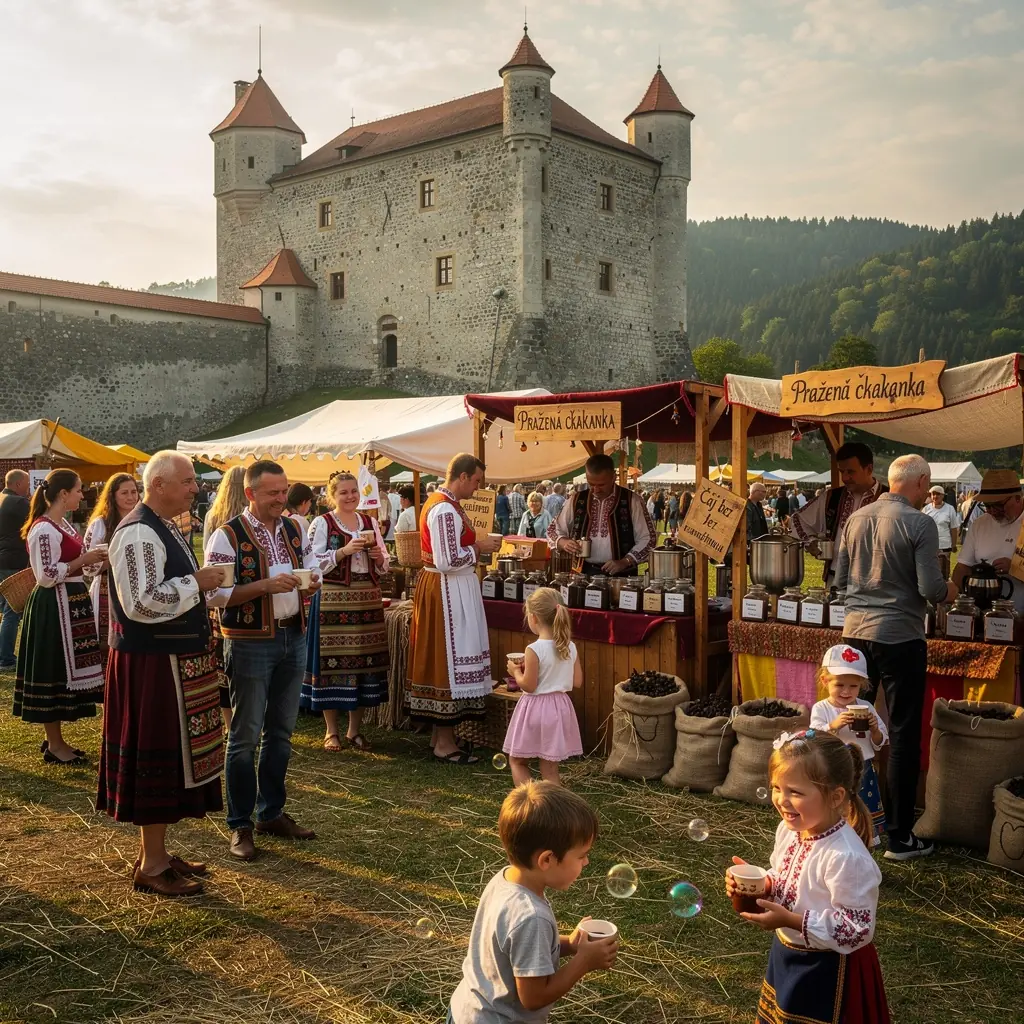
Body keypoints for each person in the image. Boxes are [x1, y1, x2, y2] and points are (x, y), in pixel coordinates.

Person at [97, 451, 226, 896]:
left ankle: (157, 853)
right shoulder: (137, 532)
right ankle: (151, 865)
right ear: (160, 485)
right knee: (157, 757)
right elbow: (142, 603)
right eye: (188, 481)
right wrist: (199, 583)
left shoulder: (163, 525)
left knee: (173, 759)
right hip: (152, 664)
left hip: (170, 660)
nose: (195, 488)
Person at [834, 454, 956, 861]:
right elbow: (932, 588)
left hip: (854, 632)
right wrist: (951, 591)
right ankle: (901, 836)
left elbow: (838, 580)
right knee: (902, 734)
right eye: (928, 486)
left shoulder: (857, 517)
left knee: (852, 728)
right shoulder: (920, 523)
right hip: (901, 635)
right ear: (920, 483)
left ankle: (847, 825)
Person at [725, 730, 889, 1024]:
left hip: (829, 970)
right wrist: (762, 885)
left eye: (796, 792)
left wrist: (791, 920)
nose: (782, 800)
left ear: (836, 796)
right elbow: (788, 877)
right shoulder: (789, 832)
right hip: (789, 953)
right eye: (777, 787)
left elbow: (857, 928)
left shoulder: (845, 857)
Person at [205, 460, 323, 861]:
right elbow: (214, 596)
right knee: (244, 737)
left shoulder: (294, 527)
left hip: (294, 634)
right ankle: (239, 824)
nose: (281, 498)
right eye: (272, 492)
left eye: (284, 490)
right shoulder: (227, 536)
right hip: (249, 641)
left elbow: (311, 564)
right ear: (251, 494)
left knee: (282, 733)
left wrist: (314, 578)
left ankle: (270, 812)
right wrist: (264, 587)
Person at [449, 781, 618, 1023]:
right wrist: (583, 962)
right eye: (581, 855)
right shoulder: (530, 916)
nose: (586, 862)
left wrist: (570, 944)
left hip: (468, 1010)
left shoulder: (505, 879)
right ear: (547, 859)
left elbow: (515, 950)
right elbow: (534, 997)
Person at [406, 453, 502, 763]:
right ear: (461, 477)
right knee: (447, 659)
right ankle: (444, 743)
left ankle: (441, 736)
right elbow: (448, 561)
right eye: (475, 481)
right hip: (447, 591)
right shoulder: (444, 509)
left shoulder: (444, 505)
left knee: (448, 656)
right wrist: (480, 547)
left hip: (451, 588)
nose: (476, 487)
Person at [12, 469, 104, 763]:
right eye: (78, 490)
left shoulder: (61, 523)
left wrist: (94, 561)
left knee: (62, 674)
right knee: (52, 673)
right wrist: (83, 559)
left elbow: (75, 563)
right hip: (53, 606)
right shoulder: (43, 528)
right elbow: (46, 575)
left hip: (70, 602)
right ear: (63, 494)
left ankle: (56, 740)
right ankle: (54, 744)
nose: (81, 494)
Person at [303, 471, 389, 752]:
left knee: (363, 663)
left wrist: (378, 557)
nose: (350, 496)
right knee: (334, 663)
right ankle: (331, 731)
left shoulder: (370, 521)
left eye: (354, 491)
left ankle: (354, 730)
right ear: (332, 496)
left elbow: (385, 562)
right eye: (344, 492)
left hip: (366, 598)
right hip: (334, 598)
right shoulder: (323, 522)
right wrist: (342, 552)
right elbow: (312, 561)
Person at [810, 645, 890, 847]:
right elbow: (814, 737)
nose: (846, 691)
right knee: (837, 801)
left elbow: (881, 742)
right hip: (834, 768)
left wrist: (874, 730)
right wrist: (834, 726)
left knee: (861, 802)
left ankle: (864, 836)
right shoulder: (822, 708)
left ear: (861, 686)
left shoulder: (866, 707)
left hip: (862, 767)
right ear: (825, 681)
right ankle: (834, 836)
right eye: (839, 685)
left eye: (853, 686)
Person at [503, 589, 583, 787]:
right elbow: (577, 681)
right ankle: (555, 810)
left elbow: (529, 686)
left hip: (535, 709)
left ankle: (531, 804)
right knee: (549, 768)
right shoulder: (569, 646)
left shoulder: (534, 649)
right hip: (559, 708)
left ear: (533, 618)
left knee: (517, 761)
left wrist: (515, 672)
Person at [791, 442, 888, 586]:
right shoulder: (832, 497)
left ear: (869, 469)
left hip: (876, 584)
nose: (845, 478)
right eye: (842, 472)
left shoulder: (888, 497)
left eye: (851, 472)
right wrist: (810, 541)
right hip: (835, 580)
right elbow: (798, 519)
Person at [547, 453, 654, 576]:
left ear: (614, 477)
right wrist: (563, 542)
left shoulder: (632, 500)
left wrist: (625, 561)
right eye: (591, 484)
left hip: (622, 576)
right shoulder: (576, 499)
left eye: (602, 484)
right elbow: (553, 529)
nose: (596, 490)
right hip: (582, 573)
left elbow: (648, 539)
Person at [201, 465, 248, 730]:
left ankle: (230, 724)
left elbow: (208, 556)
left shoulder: (213, 515)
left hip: (220, 591)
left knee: (222, 659)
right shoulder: (250, 518)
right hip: (247, 588)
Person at [83, 473, 139, 662]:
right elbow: (88, 569)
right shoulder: (100, 524)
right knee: (108, 643)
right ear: (113, 495)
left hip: (137, 588)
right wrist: (114, 556)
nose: (131, 497)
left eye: (134, 492)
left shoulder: (143, 521)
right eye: (124, 493)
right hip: (108, 588)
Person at [953, 469, 1024, 612]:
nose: (992, 511)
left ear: (1017, 497)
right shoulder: (980, 524)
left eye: (998, 505)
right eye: (987, 505)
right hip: (985, 614)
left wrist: (1014, 567)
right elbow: (962, 567)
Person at [0, 469, 31, 669]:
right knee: (12, 610)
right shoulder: (19, 503)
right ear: (18, 484)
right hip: (13, 560)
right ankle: (6, 659)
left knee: (5, 610)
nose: (28, 489)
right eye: (27, 485)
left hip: (2, 559)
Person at [923, 484, 961, 579]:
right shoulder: (926, 509)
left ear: (943, 496)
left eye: (938, 494)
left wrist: (953, 544)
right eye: (933, 494)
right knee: (930, 572)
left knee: (944, 572)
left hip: (945, 545)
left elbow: (953, 528)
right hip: (930, 545)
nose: (935, 496)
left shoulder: (949, 509)